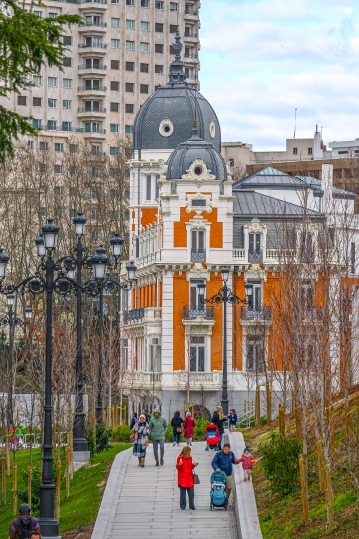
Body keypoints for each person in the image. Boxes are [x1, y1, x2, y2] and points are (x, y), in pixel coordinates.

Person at [176, 446, 198, 510]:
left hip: (189, 478)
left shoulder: (190, 458)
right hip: (182, 478)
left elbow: (190, 466)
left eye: (190, 453)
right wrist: (179, 465)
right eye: (188, 453)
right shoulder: (180, 458)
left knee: (191, 493)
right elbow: (178, 468)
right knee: (182, 494)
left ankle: (192, 505)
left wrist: (194, 465)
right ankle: (183, 505)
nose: (189, 454)